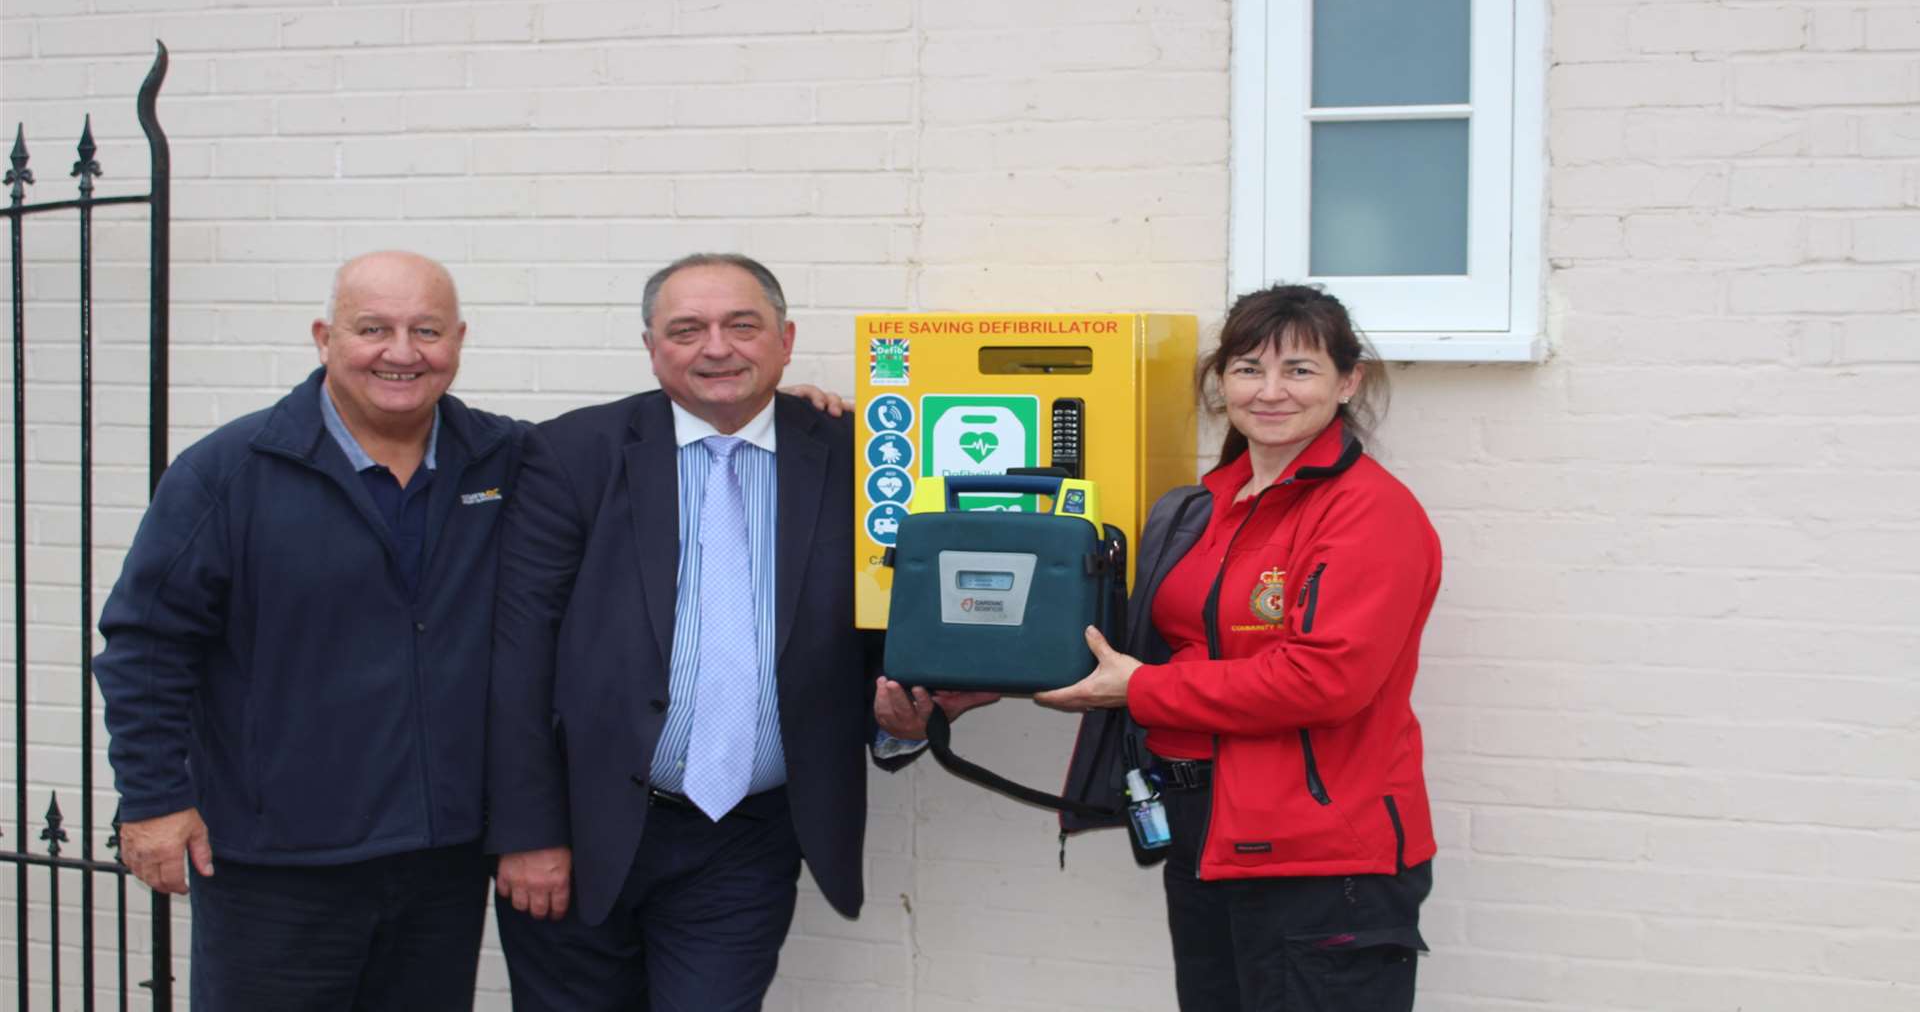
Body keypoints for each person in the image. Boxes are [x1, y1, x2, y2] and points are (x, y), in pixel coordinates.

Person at [487, 252, 981, 1011]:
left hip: (745, 839)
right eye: (687, 330)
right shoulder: (570, 454)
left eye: (741, 325)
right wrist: (527, 832)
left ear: (785, 342)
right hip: (580, 831)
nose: (717, 347)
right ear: (653, 349)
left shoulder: (862, 459)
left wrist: (904, 720)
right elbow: (516, 656)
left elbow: (886, 636)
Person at [94, 251, 521, 1010]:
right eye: (373, 328)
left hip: (441, 861)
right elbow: (146, 643)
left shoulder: (503, 461)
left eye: (426, 329)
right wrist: (153, 798)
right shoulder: (230, 471)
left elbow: (636, 451)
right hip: (274, 866)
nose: (401, 352)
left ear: (459, 340)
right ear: (325, 337)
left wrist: (774, 407)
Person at [1040, 284, 1441, 1012]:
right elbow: (1142, 638)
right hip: (1207, 837)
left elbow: (1321, 681)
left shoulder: (1369, 511)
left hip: (1322, 857)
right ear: (1222, 383)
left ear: (1347, 382)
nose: (1271, 391)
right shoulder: (1208, 504)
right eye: (1250, 367)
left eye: (1300, 369)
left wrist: (1141, 691)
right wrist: (977, 675)